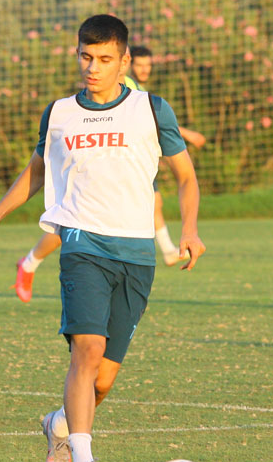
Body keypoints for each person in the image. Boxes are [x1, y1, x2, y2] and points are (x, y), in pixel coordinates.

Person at [0, 15, 204, 462]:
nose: (92, 68)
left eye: (103, 60)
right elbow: (36, 172)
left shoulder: (151, 109)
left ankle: (59, 425)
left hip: (136, 254)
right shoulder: (59, 113)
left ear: (124, 62)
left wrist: (190, 230)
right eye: (85, 57)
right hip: (81, 246)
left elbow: (184, 175)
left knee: (104, 380)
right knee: (87, 350)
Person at [11, 45, 206, 302]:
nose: (144, 70)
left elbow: (153, 122)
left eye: (149, 66)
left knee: (152, 201)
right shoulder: (118, 87)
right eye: (140, 65)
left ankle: (168, 248)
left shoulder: (138, 91)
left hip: (127, 166)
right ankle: (28, 264)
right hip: (97, 168)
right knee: (68, 226)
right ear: (126, 62)